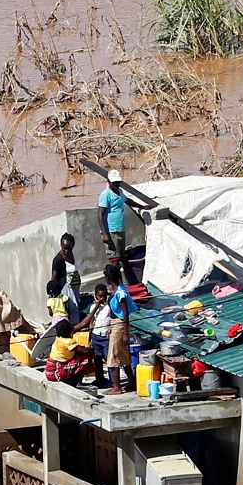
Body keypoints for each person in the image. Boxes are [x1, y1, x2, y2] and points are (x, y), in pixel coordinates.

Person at [97, 169, 146, 285]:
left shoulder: (119, 192)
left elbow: (127, 201)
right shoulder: (105, 195)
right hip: (111, 231)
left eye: (118, 182)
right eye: (114, 182)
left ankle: (122, 284)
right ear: (108, 181)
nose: (116, 184)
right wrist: (105, 233)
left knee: (120, 257)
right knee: (114, 260)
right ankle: (116, 285)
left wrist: (142, 207)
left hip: (120, 230)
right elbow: (100, 214)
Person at [101, 262, 137, 395]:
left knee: (113, 356)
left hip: (120, 326)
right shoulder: (116, 289)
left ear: (109, 278)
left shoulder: (120, 292)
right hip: (115, 324)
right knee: (124, 355)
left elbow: (125, 312)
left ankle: (117, 387)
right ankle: (132, 381)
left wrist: (126, 333)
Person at [85, 282, 113, 388]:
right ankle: (99, 379)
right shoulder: (93, 306)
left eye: (104, 296)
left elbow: (111, 320)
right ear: (96, 296)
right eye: (99, 296)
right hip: (96, 335)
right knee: (97, 359)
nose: (102, 298)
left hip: (105, 336)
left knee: (108, 359)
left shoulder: (109, 307)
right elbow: (91, 319)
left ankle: (113, 381)